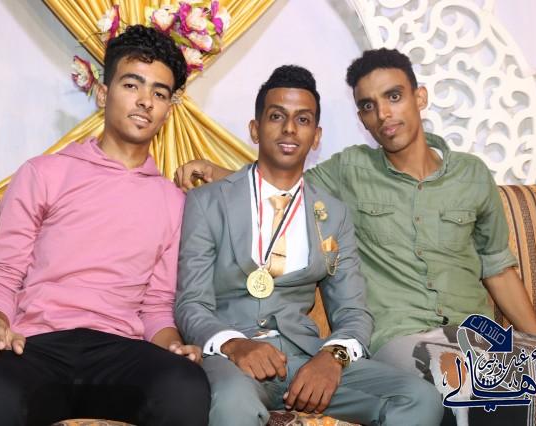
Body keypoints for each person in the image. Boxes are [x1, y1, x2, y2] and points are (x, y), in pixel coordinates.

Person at [175, 48, 536, 357]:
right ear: (361, 118)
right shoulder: (348, 171)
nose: (383, 114)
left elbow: (497, 268)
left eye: (394, 97)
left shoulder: (472, 174)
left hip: (477, 335)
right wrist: (215, 171)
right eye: (369, 106)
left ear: (420, 97)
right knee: (463, 384)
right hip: (401, 337)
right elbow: (280, 183)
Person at [0, 25, 210, 426]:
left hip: (120, 352)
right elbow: (4, 275)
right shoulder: (44, 173)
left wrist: (174, 346)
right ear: (103, 94)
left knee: (185, 387)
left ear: (168, 110)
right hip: (35, 347)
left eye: (160, 93)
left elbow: (157, 306)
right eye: (132, 85)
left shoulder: (173, 201)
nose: (145, 101)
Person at [175, 65, 443, 426]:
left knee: (419, 397)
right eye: (276, 116)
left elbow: (353, 311)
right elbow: (191, 302)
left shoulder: (333, 213)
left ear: (315, 137)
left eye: (302, 119)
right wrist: (234, 344)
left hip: (305, 359)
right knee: (232, 405)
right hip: (232, 360)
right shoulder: (207, 201)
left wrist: (333, 358)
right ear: (255, 129)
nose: (289, 129)